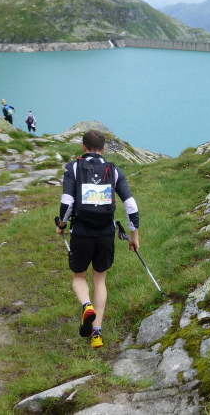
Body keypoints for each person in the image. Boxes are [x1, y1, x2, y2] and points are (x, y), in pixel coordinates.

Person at [55, 130, 140, 348]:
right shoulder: (114, 171)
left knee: (79, 277)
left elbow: (67, 202)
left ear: (83, 147)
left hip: (81, 232)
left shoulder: (73, 168)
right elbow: (130, 205)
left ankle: (86, 305)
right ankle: (97, 334)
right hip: (105, 233)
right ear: (103, 149)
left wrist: (62, 225)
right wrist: (134, 235)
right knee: (99, 280)